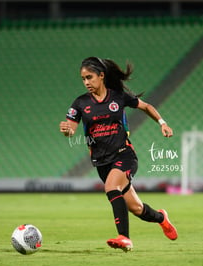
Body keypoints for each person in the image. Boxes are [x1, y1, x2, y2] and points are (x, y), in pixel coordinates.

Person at [59, 57, 178, 252]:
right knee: (137, 209)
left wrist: (162, 123)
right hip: (102, 163)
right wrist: (66, 130)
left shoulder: (118, 97)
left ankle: (125, 238)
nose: (87, 82)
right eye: (83, 79)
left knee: (111, 187)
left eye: (90, 77)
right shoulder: (80, 103)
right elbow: (71, 129)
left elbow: (146, 106)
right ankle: (162, 218)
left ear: (101, 75)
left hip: (125, 156)